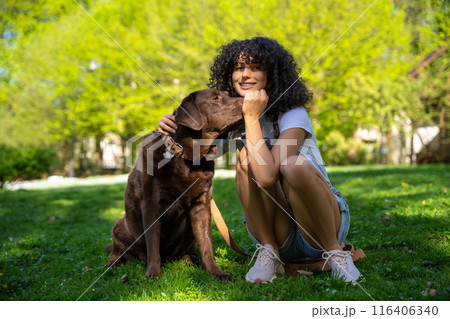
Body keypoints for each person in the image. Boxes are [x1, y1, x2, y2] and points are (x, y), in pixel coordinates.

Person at [158, 37, 361, 284]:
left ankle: (336, 253)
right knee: (245, 157)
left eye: (255, 67)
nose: (245, 74)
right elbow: (197, 153)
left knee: (291, 165)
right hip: (277, 232)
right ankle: (269, 253)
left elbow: (266, 177)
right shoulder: (230, 120)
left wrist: (251, 117)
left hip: (318, 228)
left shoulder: (292, 113)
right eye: (238, 68)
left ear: (270, 75)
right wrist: (173, 134)